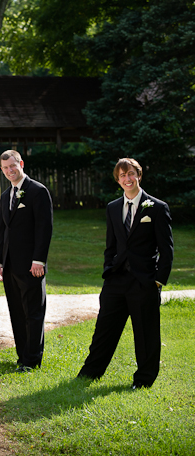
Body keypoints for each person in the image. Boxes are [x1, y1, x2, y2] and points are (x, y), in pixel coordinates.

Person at [77, 158, 173, 389]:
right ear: (117, 179)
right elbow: (111, 245)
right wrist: (108, 270)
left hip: (144, 281)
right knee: (104, 329)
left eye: (130, 174)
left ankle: (143, 379)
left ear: (139, 175)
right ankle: (90, 374)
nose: (127, 179)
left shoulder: (157, 208)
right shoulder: (112, 208)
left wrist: (158, 281)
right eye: (122, 175)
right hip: (116, 280)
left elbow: (167, 250)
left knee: (145, 333)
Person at [0, 150, 53, 372]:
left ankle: (32, 360)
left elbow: (44, 228)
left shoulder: (37, 191)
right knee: (17, 312)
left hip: (31, 265)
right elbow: (3, 231)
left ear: (21, 164)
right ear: (2, 170)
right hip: (10, 266)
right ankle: (22, 357)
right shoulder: (5, 196)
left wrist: (39, 260)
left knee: (33, 312)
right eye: (5, 168)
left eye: (13, 166)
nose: (10, 171)